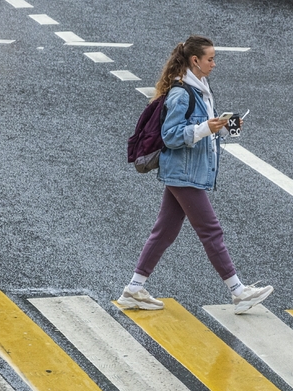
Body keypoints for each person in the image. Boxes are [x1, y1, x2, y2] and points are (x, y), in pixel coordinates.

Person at [116, 36, 273, 315]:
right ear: (195, 61)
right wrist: (205, 129)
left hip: (186, 170)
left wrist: (226, 128)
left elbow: (203, 127)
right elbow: (171, 136)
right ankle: (238, 292)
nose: (214, 64)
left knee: (164, 231)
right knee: (211, 230)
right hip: (182, 172)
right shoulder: (181, 94)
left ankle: (134, 289)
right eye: (210, 59)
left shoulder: (201, 88)